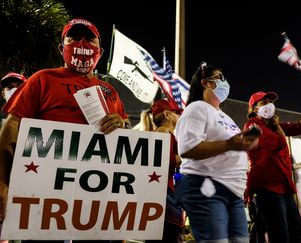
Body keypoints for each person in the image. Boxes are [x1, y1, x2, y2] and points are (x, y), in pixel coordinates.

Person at [0, 18, 129, 243]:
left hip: (96, 199)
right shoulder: (42, 79)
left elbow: (128, 139)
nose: (82, 43)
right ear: (62, 48)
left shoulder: (110, 91)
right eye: (74, 38)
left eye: (89, 38)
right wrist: (1, 183)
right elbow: (11, 128)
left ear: (100, 50)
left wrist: (121, 125)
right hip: (47, 198)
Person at [174, 62, 258, 242]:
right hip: (206, 187)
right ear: (206, 83)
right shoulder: (196, 108)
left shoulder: (225, 116)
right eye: (220, 77)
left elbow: (232, 145)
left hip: (233, 193)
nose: (224, 81)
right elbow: (188, 148)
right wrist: (229, 145)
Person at [244, 89, 301, 243]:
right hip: (267, 189)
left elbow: (300, 127)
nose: (269, 105)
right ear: (254, 108)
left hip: (284, 188)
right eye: (264, 102)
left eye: (271, 102)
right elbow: (279, 142)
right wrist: (278, 127)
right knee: (279, 234)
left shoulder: (273, 125)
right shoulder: (252, 126)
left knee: (297, 231)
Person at [146, 99, 184, 243]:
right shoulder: (163, 132)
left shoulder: (166, 134)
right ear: (167, 115)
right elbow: (165, 160)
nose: (179, 117)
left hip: (163, 192)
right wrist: (189, 155)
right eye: (176, 114)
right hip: (162, 194)